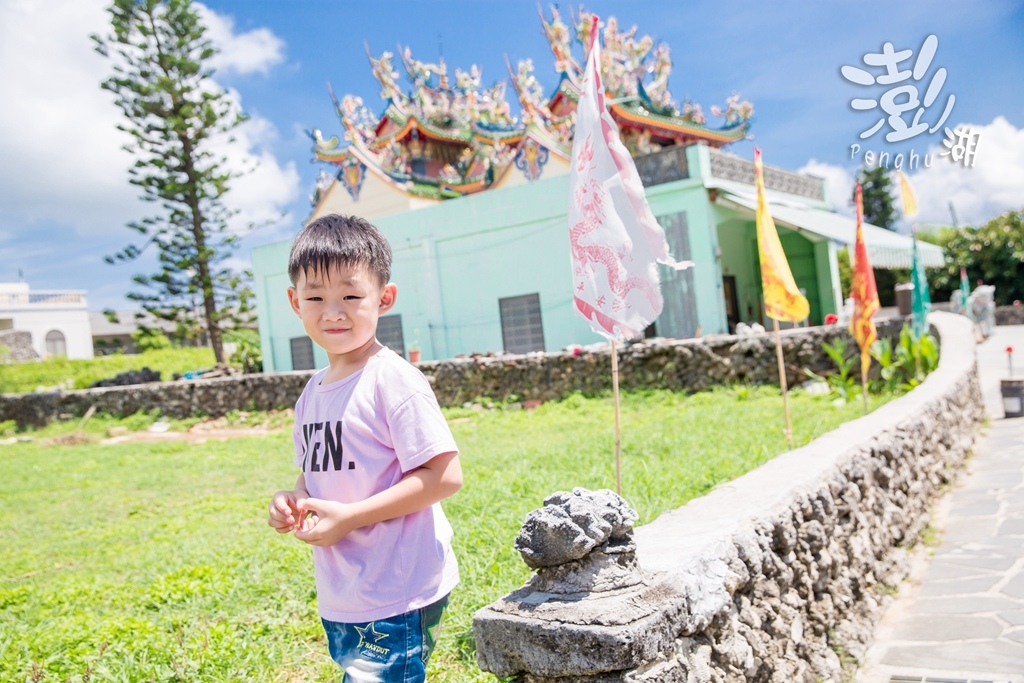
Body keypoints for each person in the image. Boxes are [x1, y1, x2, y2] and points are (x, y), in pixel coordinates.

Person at [267, 213, 462, 682]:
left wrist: (350, 519)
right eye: (316, 297)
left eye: (351, 296)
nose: (333, 311)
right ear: (295, 302)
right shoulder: (312, 391)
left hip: (396, 586)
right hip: (345, 589)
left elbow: (445, 475)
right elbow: (312, 472)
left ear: (384, 298)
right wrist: (293, 499)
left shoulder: (392, 380)